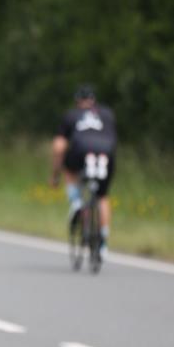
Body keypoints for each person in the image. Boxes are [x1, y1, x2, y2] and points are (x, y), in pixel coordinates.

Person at [50, 84, 117, 255]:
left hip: (80, 152)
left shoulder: (72, 115)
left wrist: (55, 175)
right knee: (102, 196)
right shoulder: (107, 114)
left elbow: (59, 147)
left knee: (70, 170)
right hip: (106, 154)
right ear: (94, 100)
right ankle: (103, 239)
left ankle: (76, 202)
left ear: (77, 101)